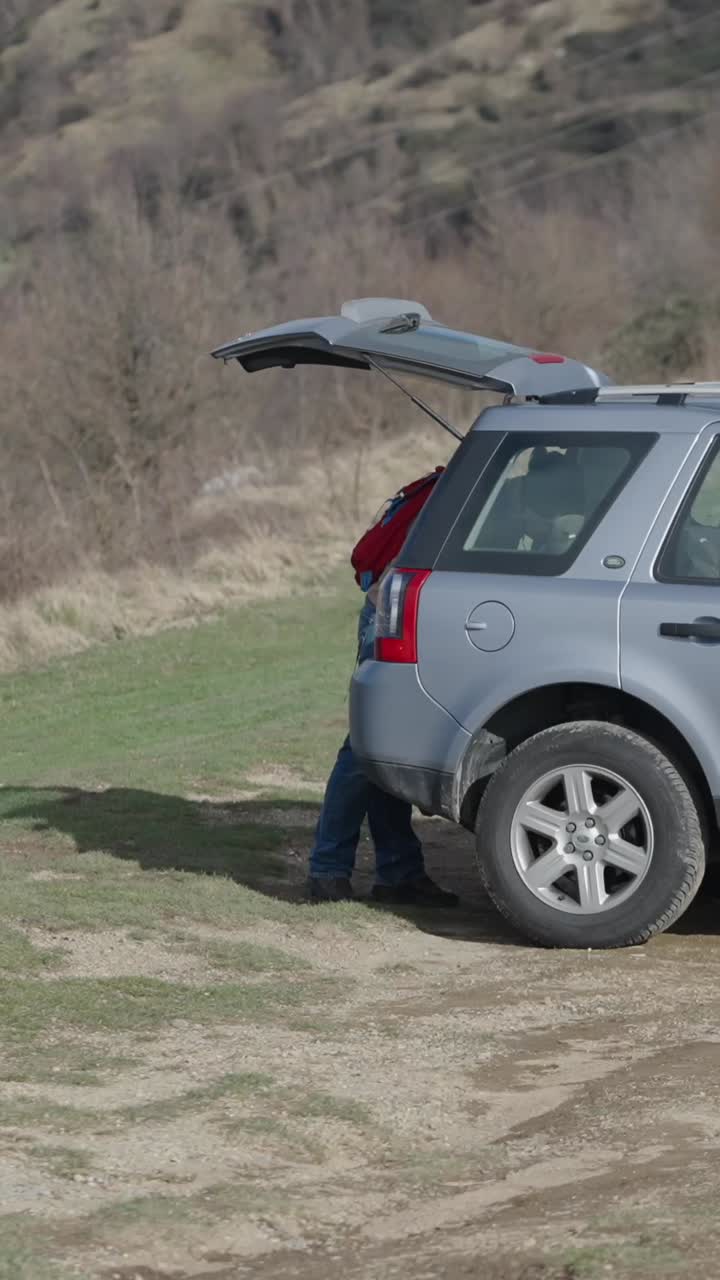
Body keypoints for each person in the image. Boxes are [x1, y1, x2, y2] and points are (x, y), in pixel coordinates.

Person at [305, 470, 458, 908]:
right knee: (361, 750)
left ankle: (399, 873)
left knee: (390, 748)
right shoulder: (463, 492)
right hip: (388, 618)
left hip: (393, 615)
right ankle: (327, 870)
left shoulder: (457, 485)